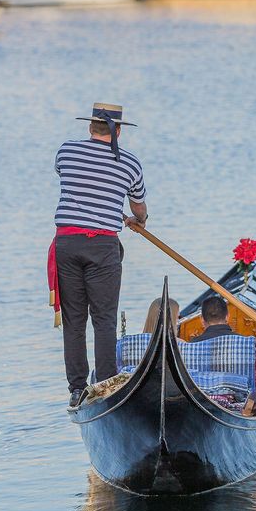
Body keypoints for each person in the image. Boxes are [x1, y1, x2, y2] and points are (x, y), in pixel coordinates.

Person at [52, 103, 148, 407]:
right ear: (118, 130)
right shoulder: (130, 163)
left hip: (66, 244)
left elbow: (71, 179)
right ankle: (107, 386)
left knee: (74, 321)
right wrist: (139, 222)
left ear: (90, 127)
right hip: (103, 247)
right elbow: (138, 207)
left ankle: (77, 388)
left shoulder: (66, 151)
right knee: (104, 320)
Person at [193, 296, 256, 389]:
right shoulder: (247, 344)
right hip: (242, 399)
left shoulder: (192, 345)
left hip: (203, 398)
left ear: (202, 319)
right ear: (227, 316)